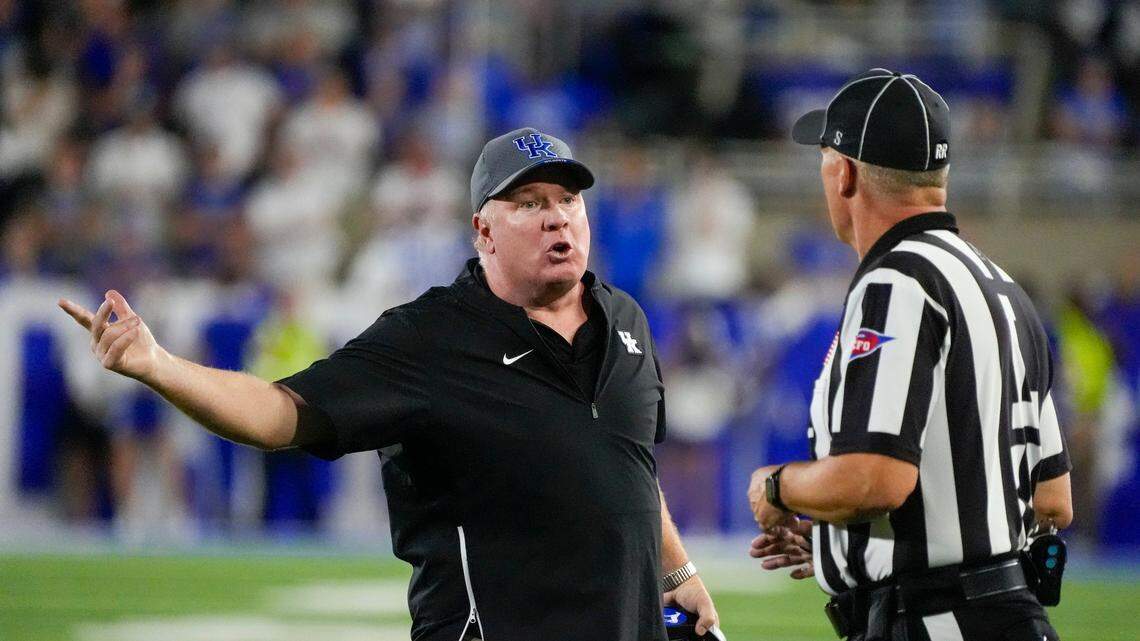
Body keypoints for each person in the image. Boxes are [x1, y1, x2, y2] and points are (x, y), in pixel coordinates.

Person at [58, 127, 719, 641]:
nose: (557, 217)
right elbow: (282, 411)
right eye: (529, 202)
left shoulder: (625, 318)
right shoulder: (429, 337)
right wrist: (159, 364)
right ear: (482, 230)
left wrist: (679, 571)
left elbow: (628, 461)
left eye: (569, 200)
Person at [746, 69, 1074, 641]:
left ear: (843, 172)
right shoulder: (1004, 290)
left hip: (938, 621)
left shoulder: (898, 282)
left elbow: (877, 479)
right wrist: (842, 536)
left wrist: (776, 486)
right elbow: (1053, 500)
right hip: (1009, 614)